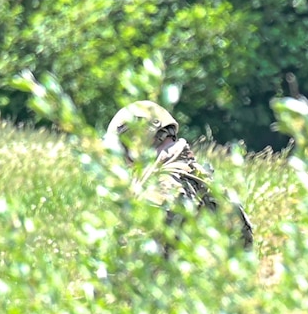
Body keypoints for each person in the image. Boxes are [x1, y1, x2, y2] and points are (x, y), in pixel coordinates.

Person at [103, 101, 254, 244]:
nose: (125, 159)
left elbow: (137, 257)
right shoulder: (207, 182)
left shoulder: (162, 187)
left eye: (125, 144)